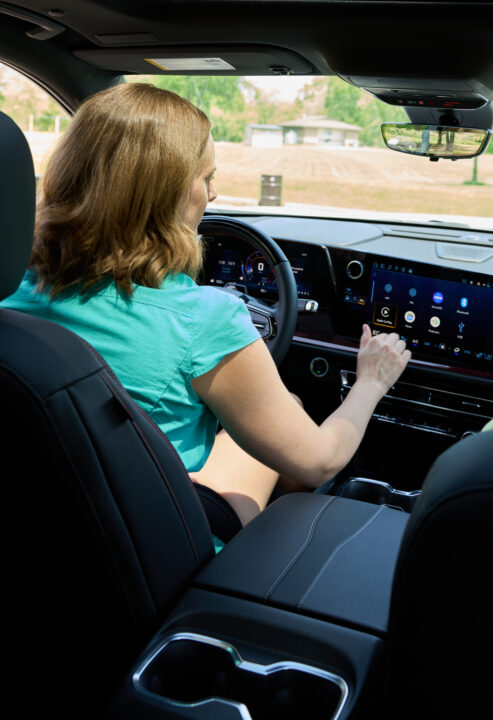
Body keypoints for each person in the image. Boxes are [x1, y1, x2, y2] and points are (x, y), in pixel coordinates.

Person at [2, 83, 410, 531]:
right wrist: (371, 380)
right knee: (291, 416)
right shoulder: (206, 320)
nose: (212, 195)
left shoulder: (12, 286)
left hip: (42, 520)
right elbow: (318, 461)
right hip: (154, 547)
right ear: (166, 193)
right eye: (206, 178)